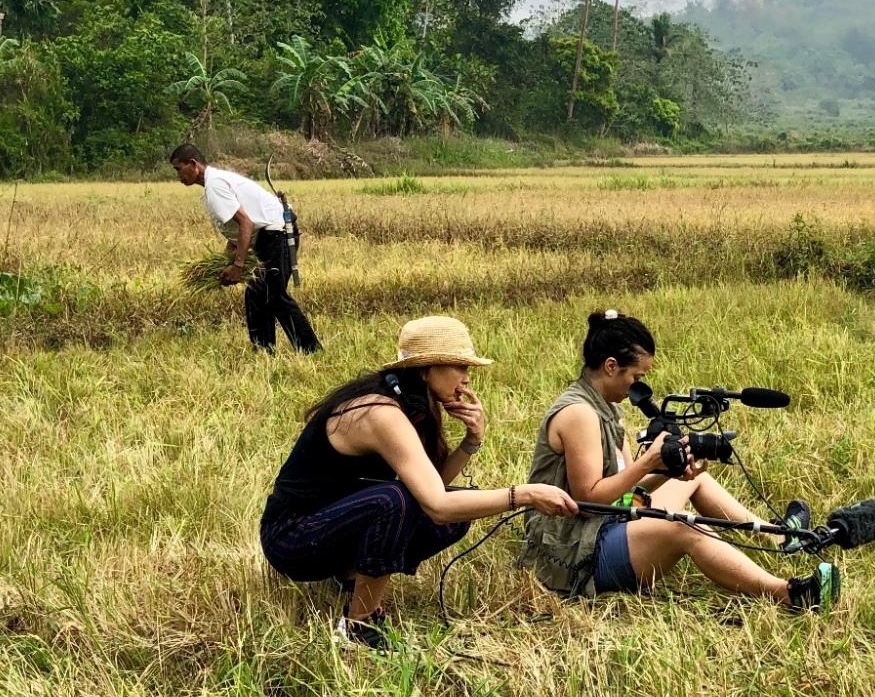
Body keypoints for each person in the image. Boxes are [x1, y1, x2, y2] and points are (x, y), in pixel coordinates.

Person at [259, 315, 579, 650]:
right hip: (292, 537)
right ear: (426, 370)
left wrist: (472, 441)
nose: (467, 379)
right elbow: (436, 505)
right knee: (394, 500)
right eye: (459, 366)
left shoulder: (410, 403)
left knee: (450, 509)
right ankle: (358, 626)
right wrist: (524, 494)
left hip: (330, 526)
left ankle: (353, 574)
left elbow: (432, 486)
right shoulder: (381, 413)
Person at [518, 310, 840, 610]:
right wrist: (648, 463)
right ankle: (790, 594)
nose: (638, 387)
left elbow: (626, 492)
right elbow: (588, 501)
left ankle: (780, 535)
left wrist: (668, 472)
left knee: (695, 479)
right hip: (574, 549)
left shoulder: (606, 408)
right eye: (636, 377)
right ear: (611, 366)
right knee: (685, 527)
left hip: (605, 523)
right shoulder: (579, 414)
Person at [169, 144, 320, 354]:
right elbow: (236, 234)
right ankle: (264, 352)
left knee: (274, 295)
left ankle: (310, 350)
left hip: (276, 234)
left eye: (178, 169)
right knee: (257, 295)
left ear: (193, 165)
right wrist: (225, 264)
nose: (178, 176)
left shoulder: (215, 186)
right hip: (269, 236)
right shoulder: (216, 183)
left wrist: (238, 265)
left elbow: (246, 224)